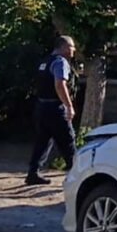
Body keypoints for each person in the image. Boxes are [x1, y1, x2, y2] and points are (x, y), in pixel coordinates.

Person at [26, 36, 78, 186]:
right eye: (72, 47)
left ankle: (33, 173)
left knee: (42, 141)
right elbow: (59, 85)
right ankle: (77, 175)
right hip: (55, 108)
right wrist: (69, 106)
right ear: (64, 47)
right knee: (68, 141)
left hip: (41, 107)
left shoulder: (45, 61)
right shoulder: (60, 62)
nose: (74, 50)